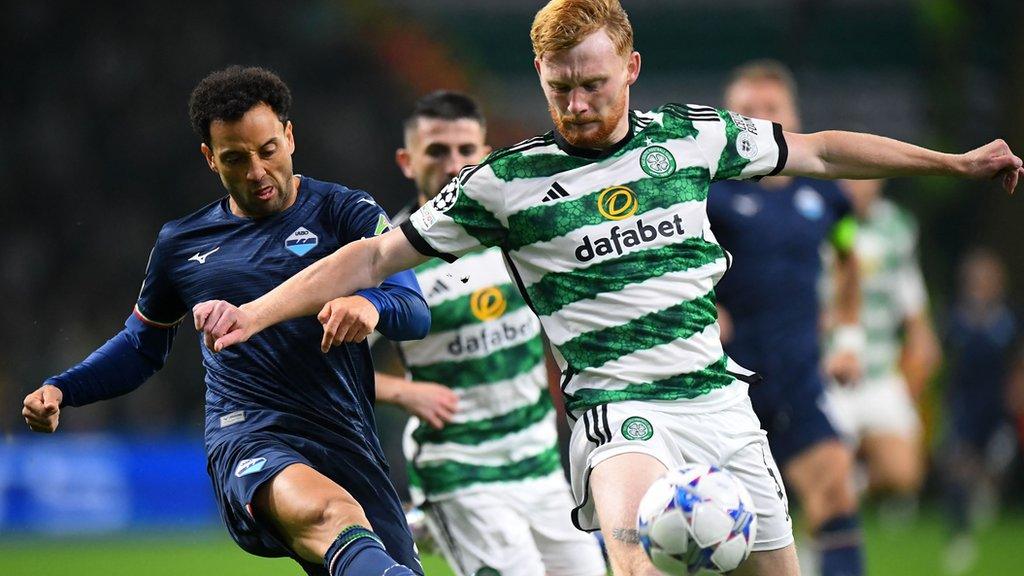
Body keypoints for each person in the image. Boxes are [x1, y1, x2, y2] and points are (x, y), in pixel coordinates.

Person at [192, 2, 1024, 575]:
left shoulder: (692, 137)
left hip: (718, 401)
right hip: (616, 409)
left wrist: (951, 163)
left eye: (594, 82)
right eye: (560, 88)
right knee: (631, 555)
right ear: (541, 77)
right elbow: (371, 259)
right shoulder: (505, 184)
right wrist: (258, 312)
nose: (579, 103)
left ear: (631, 66)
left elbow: (820, 150)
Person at [21, 66, 430, 576]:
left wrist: (371, 306)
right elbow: (142, 346)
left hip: (346, 434)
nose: (257, 172)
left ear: (290, 137)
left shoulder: (344, 211)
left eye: (268, 151)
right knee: (332, 513)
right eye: (235, 159)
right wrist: (64, 389)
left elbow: (414, 311)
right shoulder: (182, 244)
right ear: (210, 158)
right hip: (249, 434)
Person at [341, 90, 606, 576]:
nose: (453, 164)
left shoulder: (523, 237)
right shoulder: (389, 260)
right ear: (407, 161)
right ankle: (440, 515)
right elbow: (325, 367)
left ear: (485, 155)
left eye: (466, 151)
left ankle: (428, 525)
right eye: (437, 152)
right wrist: (403, 390)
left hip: (541, 461)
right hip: (460, 467)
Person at [706, 60, 863, 576]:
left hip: (798, 375)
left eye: (771, 109)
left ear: (791, 116)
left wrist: (848, 335)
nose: (759, 119)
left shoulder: (823, 195)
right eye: (747, 110)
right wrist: (707, 307)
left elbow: (848, 256)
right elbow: (667, 264)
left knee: (836, 489)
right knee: (730, 534)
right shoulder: (708, 194)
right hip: (726, 384)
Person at [828, 178, 940, 502]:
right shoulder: (820, 219)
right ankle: (810, 541)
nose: (855, 186)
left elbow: (910, 292)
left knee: (904, 473)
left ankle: (855, 484)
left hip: (879, 368)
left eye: (863, 177)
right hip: (831, 368)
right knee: (828, 471)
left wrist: (922, 338)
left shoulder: (897, 227)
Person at [940, 248, 1020, 574]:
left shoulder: (1009, 318)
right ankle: (960, 535)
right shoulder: (955, 317)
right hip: (964, 402)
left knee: (996, 464)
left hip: (998, 405)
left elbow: (1017, 361)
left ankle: (985, 496)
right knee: (959, 464)